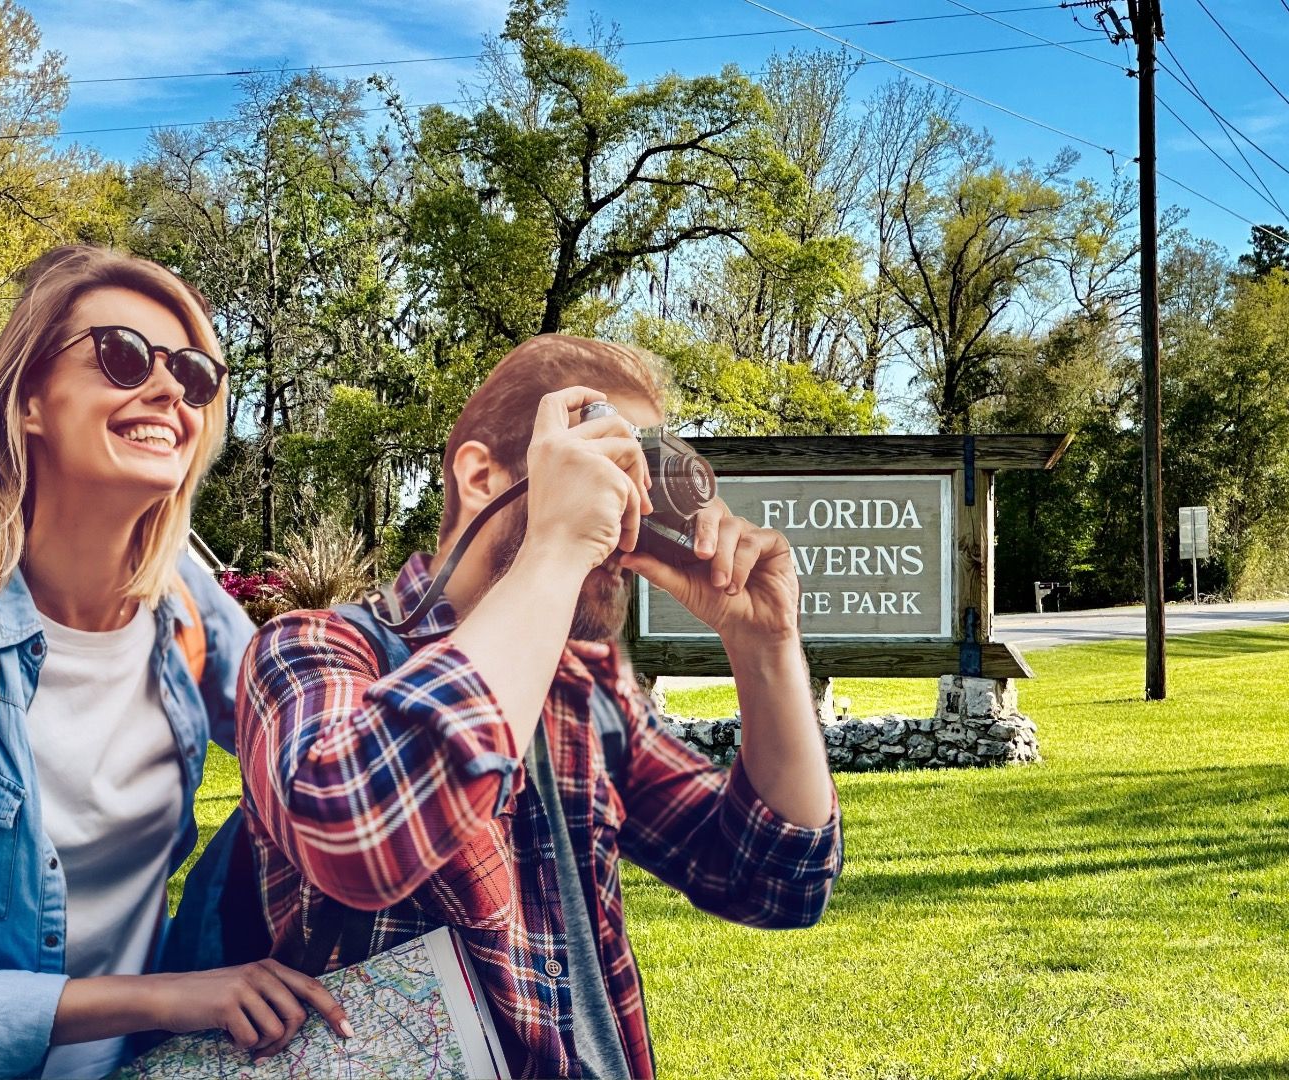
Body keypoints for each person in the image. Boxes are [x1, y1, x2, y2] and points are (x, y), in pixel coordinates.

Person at [237, 333, 843, 1079]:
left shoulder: (584, 692)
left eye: (641, 475)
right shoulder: (315, 649)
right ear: (481, 475)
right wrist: (556, 545)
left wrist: (765, 646)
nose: (626, 513)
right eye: (604, 466)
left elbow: (777, 880)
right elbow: (356, 836)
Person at [0, 245, 348, 1079]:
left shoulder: (189, 609)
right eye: (123, 357)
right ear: (29, 400)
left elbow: (333, 766)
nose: (170, 390)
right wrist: (184, 998)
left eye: (194, 374)